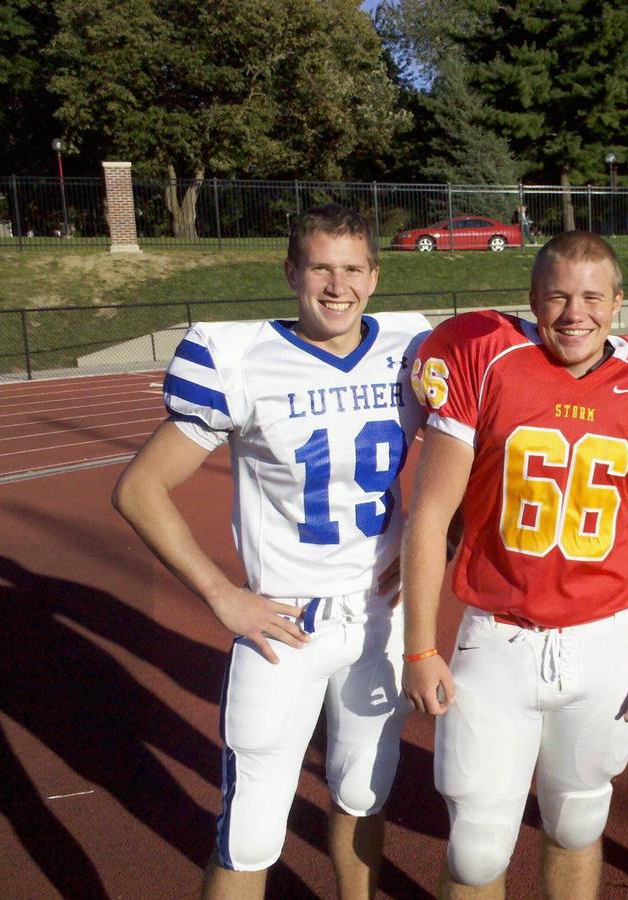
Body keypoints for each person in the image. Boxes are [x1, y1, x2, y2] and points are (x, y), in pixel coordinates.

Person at [113, 204, 430, 899]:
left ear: (375, 277)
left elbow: (483, 448)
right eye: (320, 266)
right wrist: (223, 595)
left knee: (364, 798)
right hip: (286, 623)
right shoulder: (239, 359)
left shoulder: (414, 349)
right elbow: (139, 489)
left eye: (351, 268)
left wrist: (437, 548)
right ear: (292, 272)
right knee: (252, 829)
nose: (336, 285)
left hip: (380, 615)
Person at [402, 231, 628, 899]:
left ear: (619, 303)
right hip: (497, 636)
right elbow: (429, 517)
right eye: (559, 296)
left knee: (577, 822)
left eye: (593, 297)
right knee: (479, 848)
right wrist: (419, 646)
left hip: (601, 644)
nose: (576, 313)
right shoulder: (483, 357)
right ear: (532, 299)